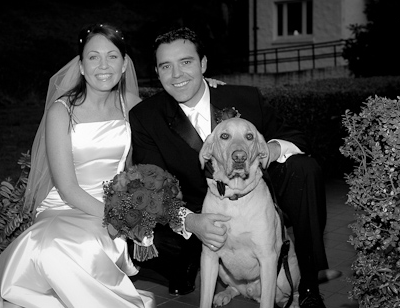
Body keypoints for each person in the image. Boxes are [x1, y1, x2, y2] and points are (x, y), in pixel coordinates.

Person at [128, 27, 337, 308]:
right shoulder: (146, 116)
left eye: (186, 62)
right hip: (196, 210)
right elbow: (151, 185)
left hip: (254, 200)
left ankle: (309, 285)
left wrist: (270, 151)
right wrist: (191, 221)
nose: (176, 75)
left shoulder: (243, 98)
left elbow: (297, 138)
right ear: (157, 71)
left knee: (303, 168)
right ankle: (190, 266)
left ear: (203, 64)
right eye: (166, 66)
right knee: (164, 245)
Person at [0, 23, 156, 308]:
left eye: (112, 56)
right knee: (51, 245)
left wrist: (208, 87)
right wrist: (118, 218)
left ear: (125, 63)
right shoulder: (61, 110)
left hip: (111, 200)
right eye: (93, 57)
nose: (103, 66)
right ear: (80, 65)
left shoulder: (132, 104)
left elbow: (167, 124)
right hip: (66, 204)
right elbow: (66, 188)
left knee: (85, 246)